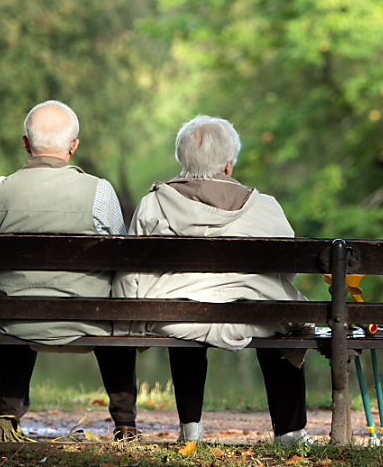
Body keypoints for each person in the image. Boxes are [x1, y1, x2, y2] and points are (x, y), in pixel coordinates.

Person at [113, 115, 313, 446]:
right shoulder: (265, 207)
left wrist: (130, 316)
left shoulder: (153, 204)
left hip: (174, 318)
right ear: (228, 166)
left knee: (184, 310)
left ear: (182, 160)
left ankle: (190, 430)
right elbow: (285, 270)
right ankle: (290, 433)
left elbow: (131, 270)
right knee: (282, 321)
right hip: (254, 318)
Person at [0, 100, 138, 441]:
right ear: (73, 146)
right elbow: (122, 261)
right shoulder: (100, 191)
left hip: (16, 320)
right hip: (90, 317)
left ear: (26, 144)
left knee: (11, 299)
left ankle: (9, 418)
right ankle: (125, 422)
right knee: (115, 306)